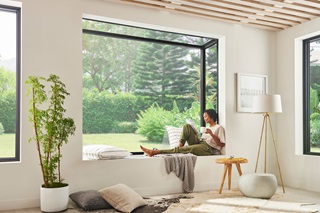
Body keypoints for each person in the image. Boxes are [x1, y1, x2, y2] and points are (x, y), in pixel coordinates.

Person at [140, 109, 226, 156]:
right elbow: (203, 140)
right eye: (203, 117)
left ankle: (155, 152)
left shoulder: (219, 127)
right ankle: (180, 145)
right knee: (187, 126)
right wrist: (196, 136)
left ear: (211, 116)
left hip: (208, 149)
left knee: (188, 149)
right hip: (201, 143)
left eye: (205, 116)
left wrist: (211, 134)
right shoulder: (207, 128)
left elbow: (222, 144)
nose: (204, 118)